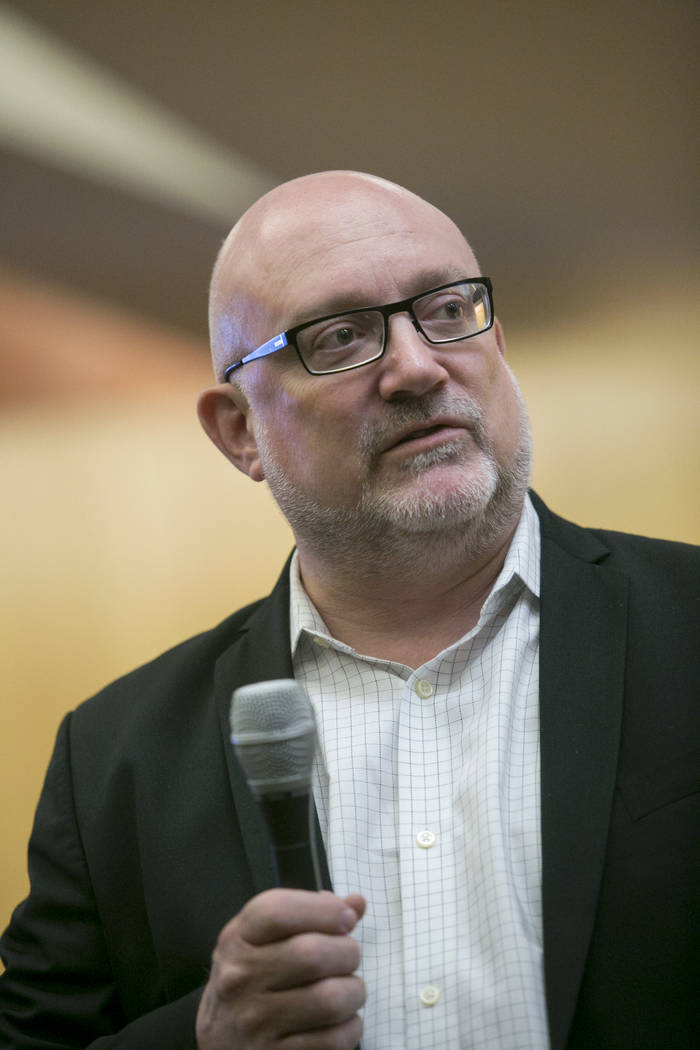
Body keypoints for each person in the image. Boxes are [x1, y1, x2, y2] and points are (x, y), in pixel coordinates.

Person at [1, 171, 697, 1050]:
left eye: (447, 310)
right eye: (339, 337)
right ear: (240, 432)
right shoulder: (115, 760)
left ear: (497, 341)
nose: (417, 367)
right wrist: (204, 1039)